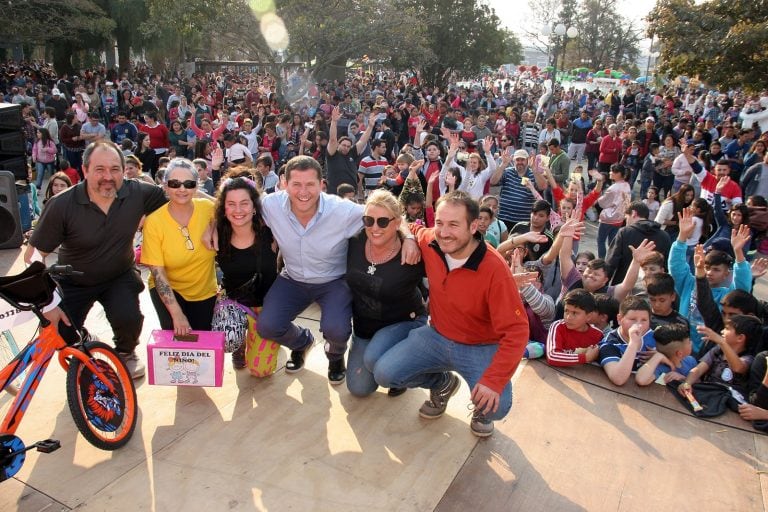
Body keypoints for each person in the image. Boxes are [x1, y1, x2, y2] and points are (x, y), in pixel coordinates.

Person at [373, 191, 529, 437]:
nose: (444, 232)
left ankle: (480, 407)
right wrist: (410, 239)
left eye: (454, 224)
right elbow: (405, 221)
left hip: (480, 346)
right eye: (439, 223)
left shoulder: (495, 269)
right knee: (385, 373)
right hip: (436, 336)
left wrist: (493, 381)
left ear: (474, 225)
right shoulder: (431, 241)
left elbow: (517, 331)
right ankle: (442, 383)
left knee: (496, 406)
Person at [253, 156, 419, 384]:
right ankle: (302, 342)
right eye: (296, 184)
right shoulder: (270, 205)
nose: (303, 192)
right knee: (267, 326)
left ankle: (335, 356)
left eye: (310, 184)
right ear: (284, 183)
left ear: (322, 184)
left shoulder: (341, 210)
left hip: (333, 281)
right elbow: (229, 206)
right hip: (292, 278)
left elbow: (385, 212)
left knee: (337, 330)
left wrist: (409, 236)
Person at [28, 140, 168, 378]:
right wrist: (48, 302)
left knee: (129, 319)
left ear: (124, 170)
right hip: (73, 279)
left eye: (115, 169)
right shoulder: (62, 204)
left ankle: (125, 352)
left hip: (119, 275)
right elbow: (33, 255)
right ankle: (83, 338)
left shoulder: (138, 193)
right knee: (58, 333)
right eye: (100, 169)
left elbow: (182, 196)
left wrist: (218, 214)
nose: (108, 176)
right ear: (85, 171)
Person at [345, 189, 427, 397]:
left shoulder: (412, 253)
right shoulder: (354, 241)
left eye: (383, 222)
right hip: (365, 328)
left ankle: (409, 368)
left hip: (403, 322)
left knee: (376, 361)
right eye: (368, 220)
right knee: (359, 388)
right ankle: (385, 360)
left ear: (396, 222)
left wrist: (409, 237)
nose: (374, 228)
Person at [141, 158, 217, 335]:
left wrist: (212, 225)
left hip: (204, 290)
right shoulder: (154, 222)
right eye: (175, 183)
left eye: (189, 184)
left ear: (196, 187)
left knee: (202, 341)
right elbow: (158, 274)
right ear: (165, 186)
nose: (182, 189)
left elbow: (232, 207)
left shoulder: (208, 208)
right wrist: (176, 314)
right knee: (178, 340)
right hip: (169, 289)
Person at [215, 176, 279, 370]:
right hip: (234, 304)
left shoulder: (271, 230)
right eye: (231, 204)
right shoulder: (217, 232)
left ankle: (287, 333)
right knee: (228, 339)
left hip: (266, 306)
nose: (238, 210)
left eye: (244, 203)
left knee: (261, 371)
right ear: (223, 208)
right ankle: (240, 341)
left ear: (254, 206)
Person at [670, 209, 752, 356]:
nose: (709, 273)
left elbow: (742, 286)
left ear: (726, 273)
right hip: (678, 347)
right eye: (707, 268)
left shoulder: (727, 296)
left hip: (705, 353)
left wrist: (739, 253)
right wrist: (682, 236)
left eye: (716, 270)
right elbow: (676, 266)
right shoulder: (689, 283)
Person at [681, 314, 761, 396]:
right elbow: (698, 369)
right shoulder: (718, 350)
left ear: (740, 338)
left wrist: (721, 342)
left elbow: (738, 367)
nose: (722, 331)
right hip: (708, 393)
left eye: (727, 329)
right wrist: (687, 383)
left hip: (728, 401)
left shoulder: (749, 358)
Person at [605, 201, 671, 285]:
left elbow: (611, 262)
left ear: (633, 213)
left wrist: (604, 287)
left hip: (623, 285)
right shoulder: (664, 236)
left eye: (626, 218)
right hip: (651, 288)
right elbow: (666, 266)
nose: (626, 221)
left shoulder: (625, 232)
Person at [598, 297, 656, 386]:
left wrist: (661, 356)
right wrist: (633, 343)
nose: (639, 325)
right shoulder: (609, 343)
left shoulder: (655, 336)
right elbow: (618, 379)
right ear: (620, 319)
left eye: (644, 320)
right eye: (633, 319)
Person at [545, 289, 604, 367]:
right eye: (566, 311)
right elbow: (552, 356)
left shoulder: (598, 335)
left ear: (589, 316)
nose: (568, 317)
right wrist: (585, 358)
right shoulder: (558, 326)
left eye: (575, 313)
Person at [326, 106, 376, 195]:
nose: (346, 148)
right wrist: (334, 122)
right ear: (338, 145)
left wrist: (370, 126)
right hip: (335, 194)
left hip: (351, 194)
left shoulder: (352, 153)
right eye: (344, 145)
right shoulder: (332, 153)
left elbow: (362, 140)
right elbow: (332, 139)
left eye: (348, 146)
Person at [491, 148, 547, 227]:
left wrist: (534, 169)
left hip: (524, 221)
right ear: (514, 161)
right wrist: (503, 165)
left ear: (527, 161)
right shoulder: (507, 172)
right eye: (517, 160)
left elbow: (543, 186)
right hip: (504, 218)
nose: (520, 162)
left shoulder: (533, 174)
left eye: (522, 160)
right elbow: (493, 181)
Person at [596, 164, 631, 258]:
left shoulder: (613, 188)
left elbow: (603, 203)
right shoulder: (626, 185)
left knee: (601, 240)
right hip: (619, 217)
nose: (610, 173)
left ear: (619, 174)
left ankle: (601, 259)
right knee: (612, 242)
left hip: (608, 218)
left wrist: (598, 198)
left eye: (613, 171)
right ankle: (611, 259)